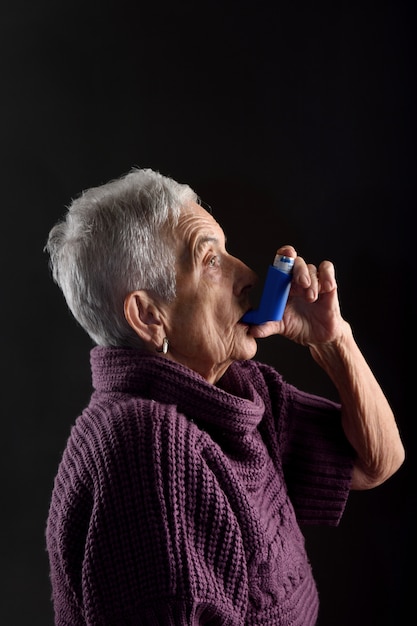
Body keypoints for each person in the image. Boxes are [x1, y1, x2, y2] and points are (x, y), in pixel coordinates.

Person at [45, 167, 404, 626]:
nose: (249, 276)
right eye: (210, 260)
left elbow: (376, 463)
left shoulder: (236, 390)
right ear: (149, 316)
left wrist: (332, 341)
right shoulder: (151, 446)